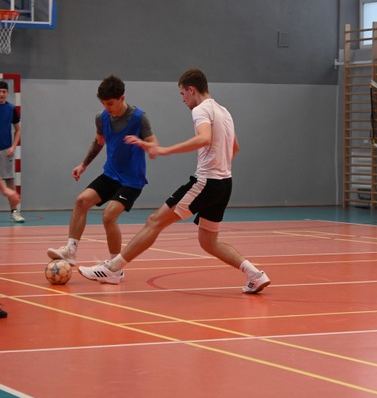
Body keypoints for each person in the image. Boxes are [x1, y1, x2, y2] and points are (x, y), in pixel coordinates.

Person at [78, 68, 270, 294]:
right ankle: (255, 274)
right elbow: (234, 147)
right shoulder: (223, 111)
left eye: (182, 94)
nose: (183, 100)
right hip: (224, 183)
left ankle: (112, 269)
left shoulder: (201, 109)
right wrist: (219, 168)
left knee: (154, 221)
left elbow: (204, 138)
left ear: (191, 90)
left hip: (206, 182)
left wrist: (165, 150)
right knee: (208, 242)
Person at [47, 75, 157, 275]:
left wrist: (141, 143)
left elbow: (154, 147)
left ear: (122, 98)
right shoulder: (102, 118)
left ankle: (115, 268)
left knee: (108, 216)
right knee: (81, 201)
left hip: (132, 180)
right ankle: (71, 250)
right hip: (111, 174)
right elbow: (99, 142)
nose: (107, 107)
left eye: (110, 103)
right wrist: (84, 164)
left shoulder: (139, 118)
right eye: (103, 103)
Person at [0, 79, 24, 223]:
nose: (1, 94)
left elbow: (18, 130)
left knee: (9, 179)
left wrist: (13, 146)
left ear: (7, 93)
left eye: (4, 91)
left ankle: (14, 211)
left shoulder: (11, 108)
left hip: (5, 149)